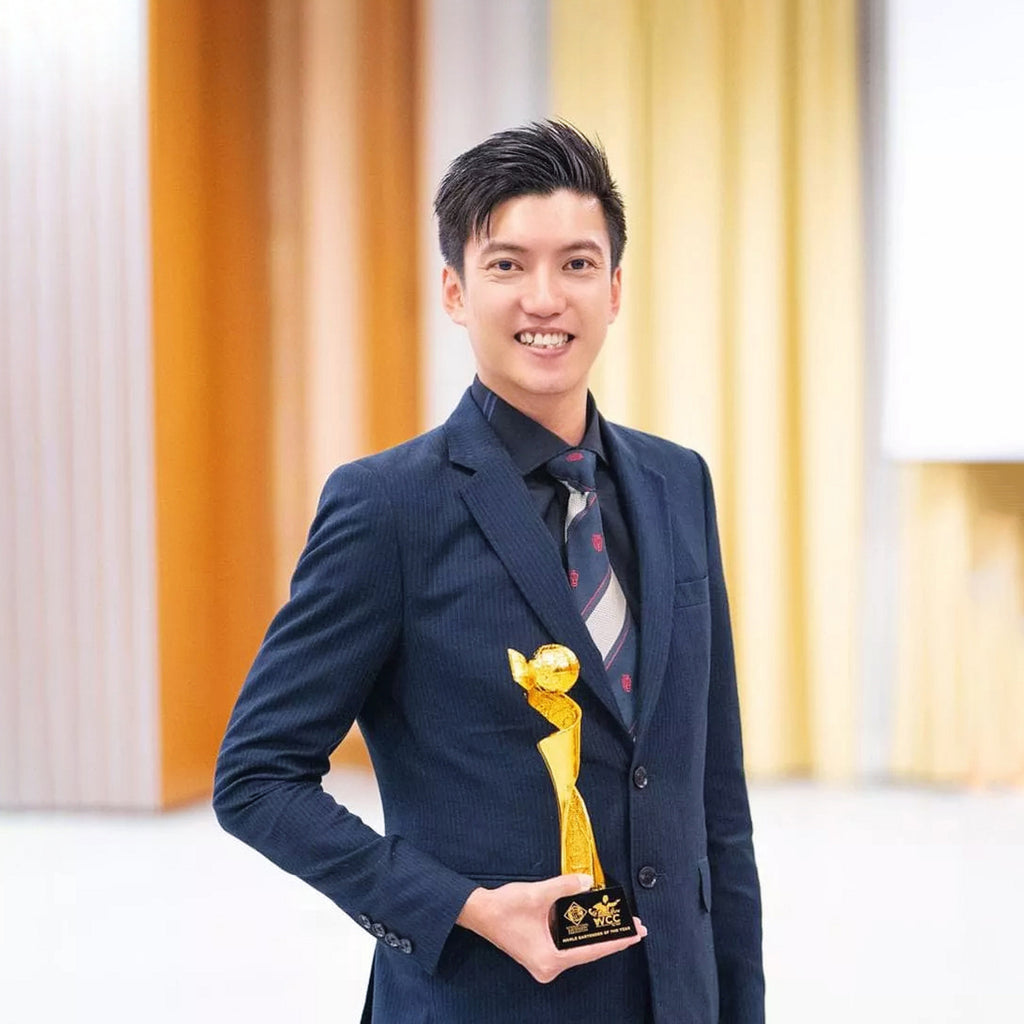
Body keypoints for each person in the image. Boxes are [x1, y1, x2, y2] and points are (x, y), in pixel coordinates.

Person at [214, 120, 764, 1023]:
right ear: (455, 292)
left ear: (616, 289)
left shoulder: (677, 483)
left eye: (578, 265)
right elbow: (257, 777)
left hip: (678, 998)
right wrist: (461, 909)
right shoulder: (386, 507)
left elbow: (717, 805)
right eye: (507, 265)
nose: (545, 298)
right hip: (484, 1000)